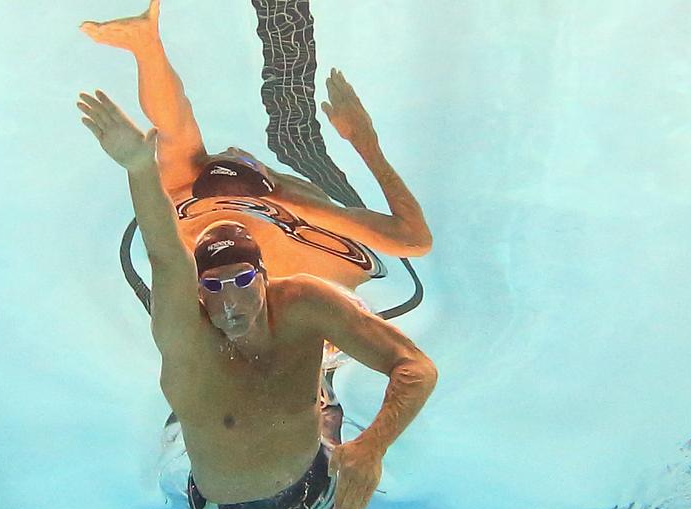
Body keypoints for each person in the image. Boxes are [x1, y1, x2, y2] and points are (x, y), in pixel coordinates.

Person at [77, 89, 437, 509]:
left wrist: (371, 447)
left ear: (265, 276)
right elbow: (167, 258)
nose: (229, 300)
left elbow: (415, 368)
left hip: (309, 472)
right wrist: (141, 169)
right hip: (227, 507)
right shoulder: (185, 334)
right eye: (213, 286)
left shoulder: (305, 304)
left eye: (243, 279)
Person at [80, 0, 432, 293]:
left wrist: (146, 49)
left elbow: (175, 125)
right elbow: (414, 241)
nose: (233, 151)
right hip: (302, 254)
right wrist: (364, 142)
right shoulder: (298, 214)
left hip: (276, 252)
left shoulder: (186, 201)